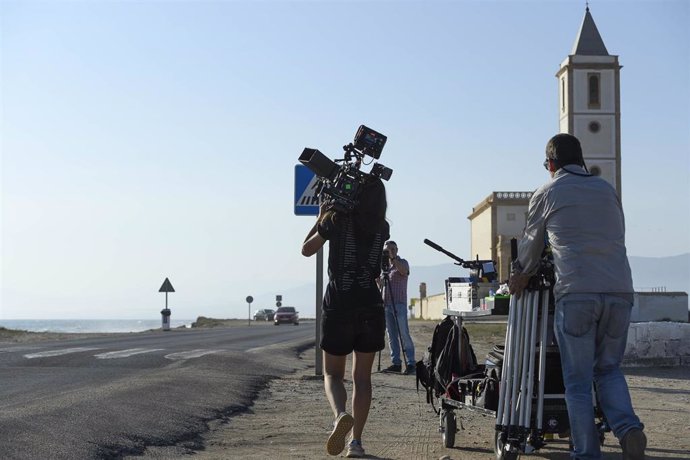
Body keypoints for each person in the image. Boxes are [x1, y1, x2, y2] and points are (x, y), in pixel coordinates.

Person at [509, 133, 646, 460]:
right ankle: (628, 429)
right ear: (580, 160)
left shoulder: (548, 191)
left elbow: (530, 246)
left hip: (577, 293)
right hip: (619, 290)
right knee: (609, 369)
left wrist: (519, 275)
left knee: (578, 382)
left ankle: (586, 454)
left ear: (551, 164)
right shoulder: (607, 190)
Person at [302, 176, 390, 458]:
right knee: (362, 378)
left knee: (332, 374)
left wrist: (321, 216)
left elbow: (306, 249)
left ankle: (340, 415)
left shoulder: (334, 220)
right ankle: (356, 443)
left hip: (340, 302)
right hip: (371, 304)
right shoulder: (382, 226)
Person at [380, 240, 416, 375]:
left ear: (397, 250)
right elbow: (381, 285)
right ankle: (396, 363)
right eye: (387, 250)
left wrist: (394, 259)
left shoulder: (402, 263)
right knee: (391, 335)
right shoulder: (384, 267)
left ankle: (411, 363)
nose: (390, 252)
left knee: (404, 334)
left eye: (393, 249)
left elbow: (404, 271)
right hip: (386, 304)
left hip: (399, 303)